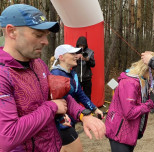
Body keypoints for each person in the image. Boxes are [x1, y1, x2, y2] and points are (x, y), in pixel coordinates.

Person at [0, 4, 105, 152]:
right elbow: (7, 137)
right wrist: (52, 107)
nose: (45, 42)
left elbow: (60, 96)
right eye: (38, 35)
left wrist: (83, 115)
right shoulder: (3, 74)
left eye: (46, 35)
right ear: (12, 31)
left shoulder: (38, 64)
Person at [50, 44, 104, 152]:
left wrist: (94, 108)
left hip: (72, 119)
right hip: (62, 126)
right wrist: (62, 118)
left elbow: (80, 94)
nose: (76, 56)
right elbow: (58, 101)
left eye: (76, 53)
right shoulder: (55, 75)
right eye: (72, 53)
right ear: (61, 57)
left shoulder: (72, 73)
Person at [105, 53, 154, 152]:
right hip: (120, 134)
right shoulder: (130, 82)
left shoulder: (142, 80)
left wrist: (149, 97)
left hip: (129, 132)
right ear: (148, 69)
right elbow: (129, 113)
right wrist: (151, 103)